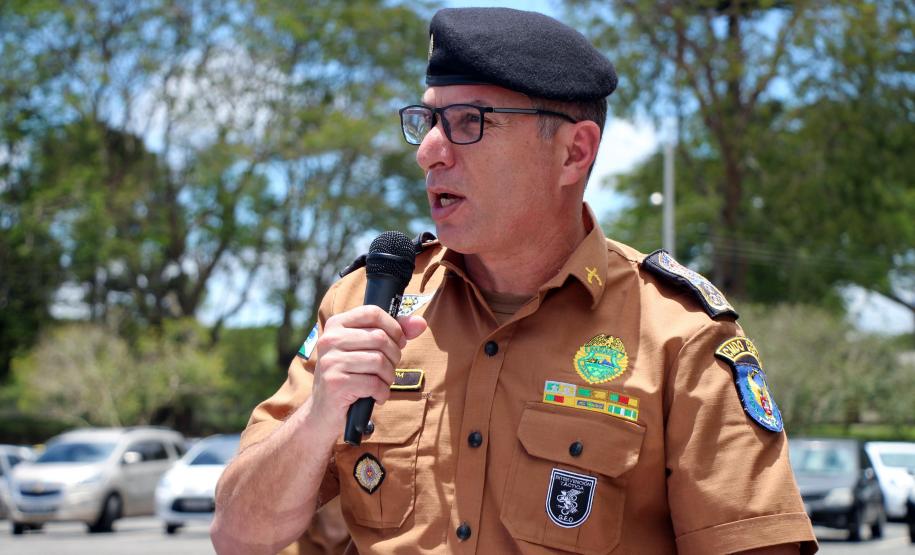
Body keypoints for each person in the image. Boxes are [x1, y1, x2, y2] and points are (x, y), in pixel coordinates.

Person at [211, 7, 818, 554]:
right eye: (426, 120)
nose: (429, 150)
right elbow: (238, 536)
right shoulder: (364, 305)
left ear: (574, 153)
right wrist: (319, 417)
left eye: (469, 121)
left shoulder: (680, 336)